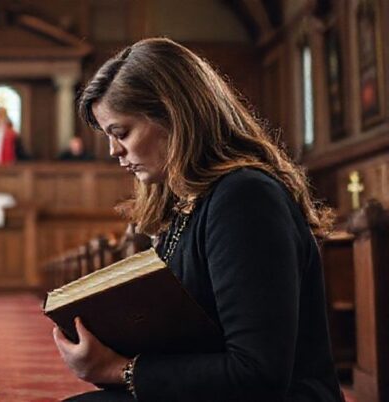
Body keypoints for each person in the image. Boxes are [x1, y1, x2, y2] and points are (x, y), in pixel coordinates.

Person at [55, 38, 343, 401]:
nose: (114, 151)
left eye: (121, 132)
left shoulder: (245, 198)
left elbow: (259, 373)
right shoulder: (190, 200)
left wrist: (118, 368)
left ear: (173, 115)